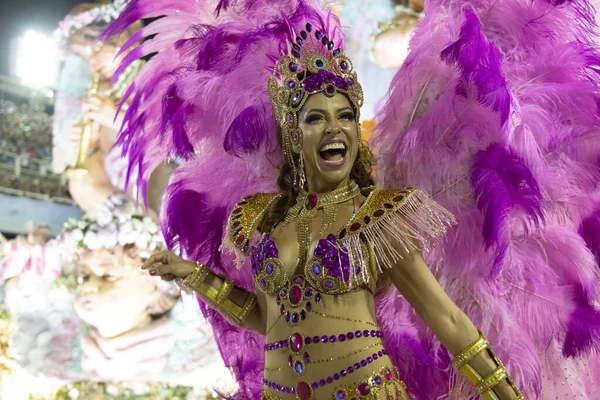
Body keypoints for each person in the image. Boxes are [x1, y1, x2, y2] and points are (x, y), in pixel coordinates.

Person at [106, 0, 600, 399]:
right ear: (292, 135)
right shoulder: (257, 220)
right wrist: (192, 276)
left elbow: (447, 317)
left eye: (344, 116)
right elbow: (267, 319)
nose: (334, 128)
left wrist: (504, 394)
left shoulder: (378, 217)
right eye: (315, 118)